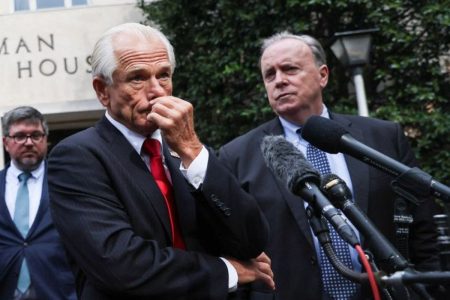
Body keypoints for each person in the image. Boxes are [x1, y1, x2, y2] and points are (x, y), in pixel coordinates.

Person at [47, 23, 274, 300]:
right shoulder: (77, 156)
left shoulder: (188, 149)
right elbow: (120, 264)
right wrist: (227, 271)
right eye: (137, 78)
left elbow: (252, 241)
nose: (157, 91)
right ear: (102, 90)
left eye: (164, 75)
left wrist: (192, 150)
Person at [218, 32, 440, 299]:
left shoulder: (382, 137)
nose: (279, 81)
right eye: (270, 75)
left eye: (289, 69)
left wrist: (426, 291)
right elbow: (232, 245)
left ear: (322, 75)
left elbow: (423, 226)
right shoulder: (237, 156)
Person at [0, 106, 77, 300]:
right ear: (6, 142)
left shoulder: (67, 182)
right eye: (19, 136)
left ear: (45, 139)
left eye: (35, 135)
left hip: (58, 290)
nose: (28, 142)